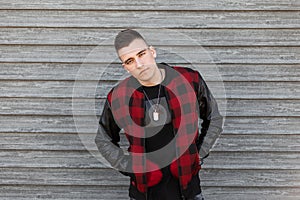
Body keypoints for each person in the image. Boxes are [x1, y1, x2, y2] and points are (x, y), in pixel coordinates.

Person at [95, 29, 223, 200]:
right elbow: (103, 138)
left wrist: (198, 154)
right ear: (125, 67)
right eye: (130, 61)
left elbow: (213, 118)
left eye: (142, 54)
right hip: (144, 192)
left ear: (152, 51)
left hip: (188, 188)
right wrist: (128, 166)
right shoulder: (119, 96)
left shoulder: (189, 79)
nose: (139, 64)